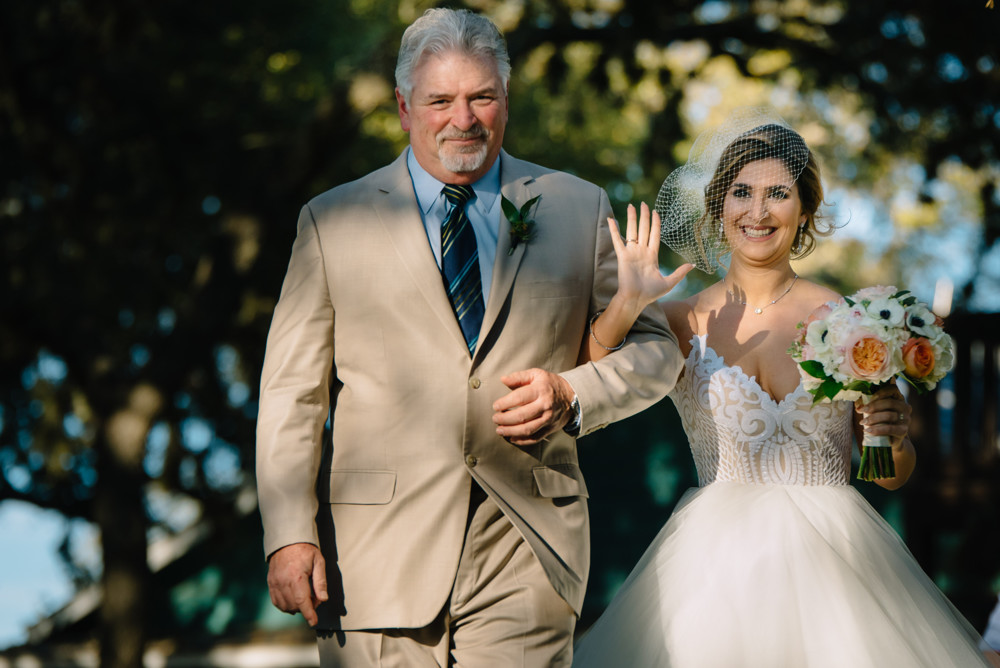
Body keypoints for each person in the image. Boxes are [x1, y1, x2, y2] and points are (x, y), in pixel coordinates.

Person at [255, 8, 689, 667]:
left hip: (528, 540)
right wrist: (288, 535)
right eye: (441, 101)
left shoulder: (578, 206)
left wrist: (571, 394)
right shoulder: (331, 221)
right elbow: (292, 393)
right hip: (375, 555)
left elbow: (656, 352)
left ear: (505, 100)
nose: (464, 118)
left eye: (482, 97)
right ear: (404, 108)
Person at [571, 108, 998, 666]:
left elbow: (892, 476)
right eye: (742, 192)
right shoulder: (680, 320)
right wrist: (628, 302)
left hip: (841, 571)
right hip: (710, 575)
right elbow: (595, 384)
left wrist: (892, 439)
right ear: (718, 206)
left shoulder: (853, 321)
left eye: (778, 193)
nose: (757, 210)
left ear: (805, 211)